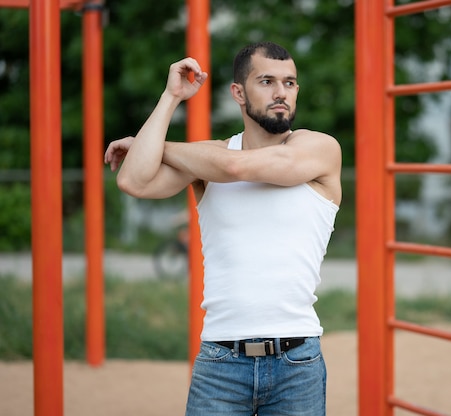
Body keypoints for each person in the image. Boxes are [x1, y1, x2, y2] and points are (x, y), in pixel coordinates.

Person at [104, 41, 342, 416]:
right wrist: (171, 97)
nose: (281, 92)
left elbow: (236, 168)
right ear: (238, 92)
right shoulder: (207, 158)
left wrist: (151, 145)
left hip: (297, 362)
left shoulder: (319, 149)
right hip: (221, 360)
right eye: (266, 81)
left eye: (290, 83)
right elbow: (133, 181)